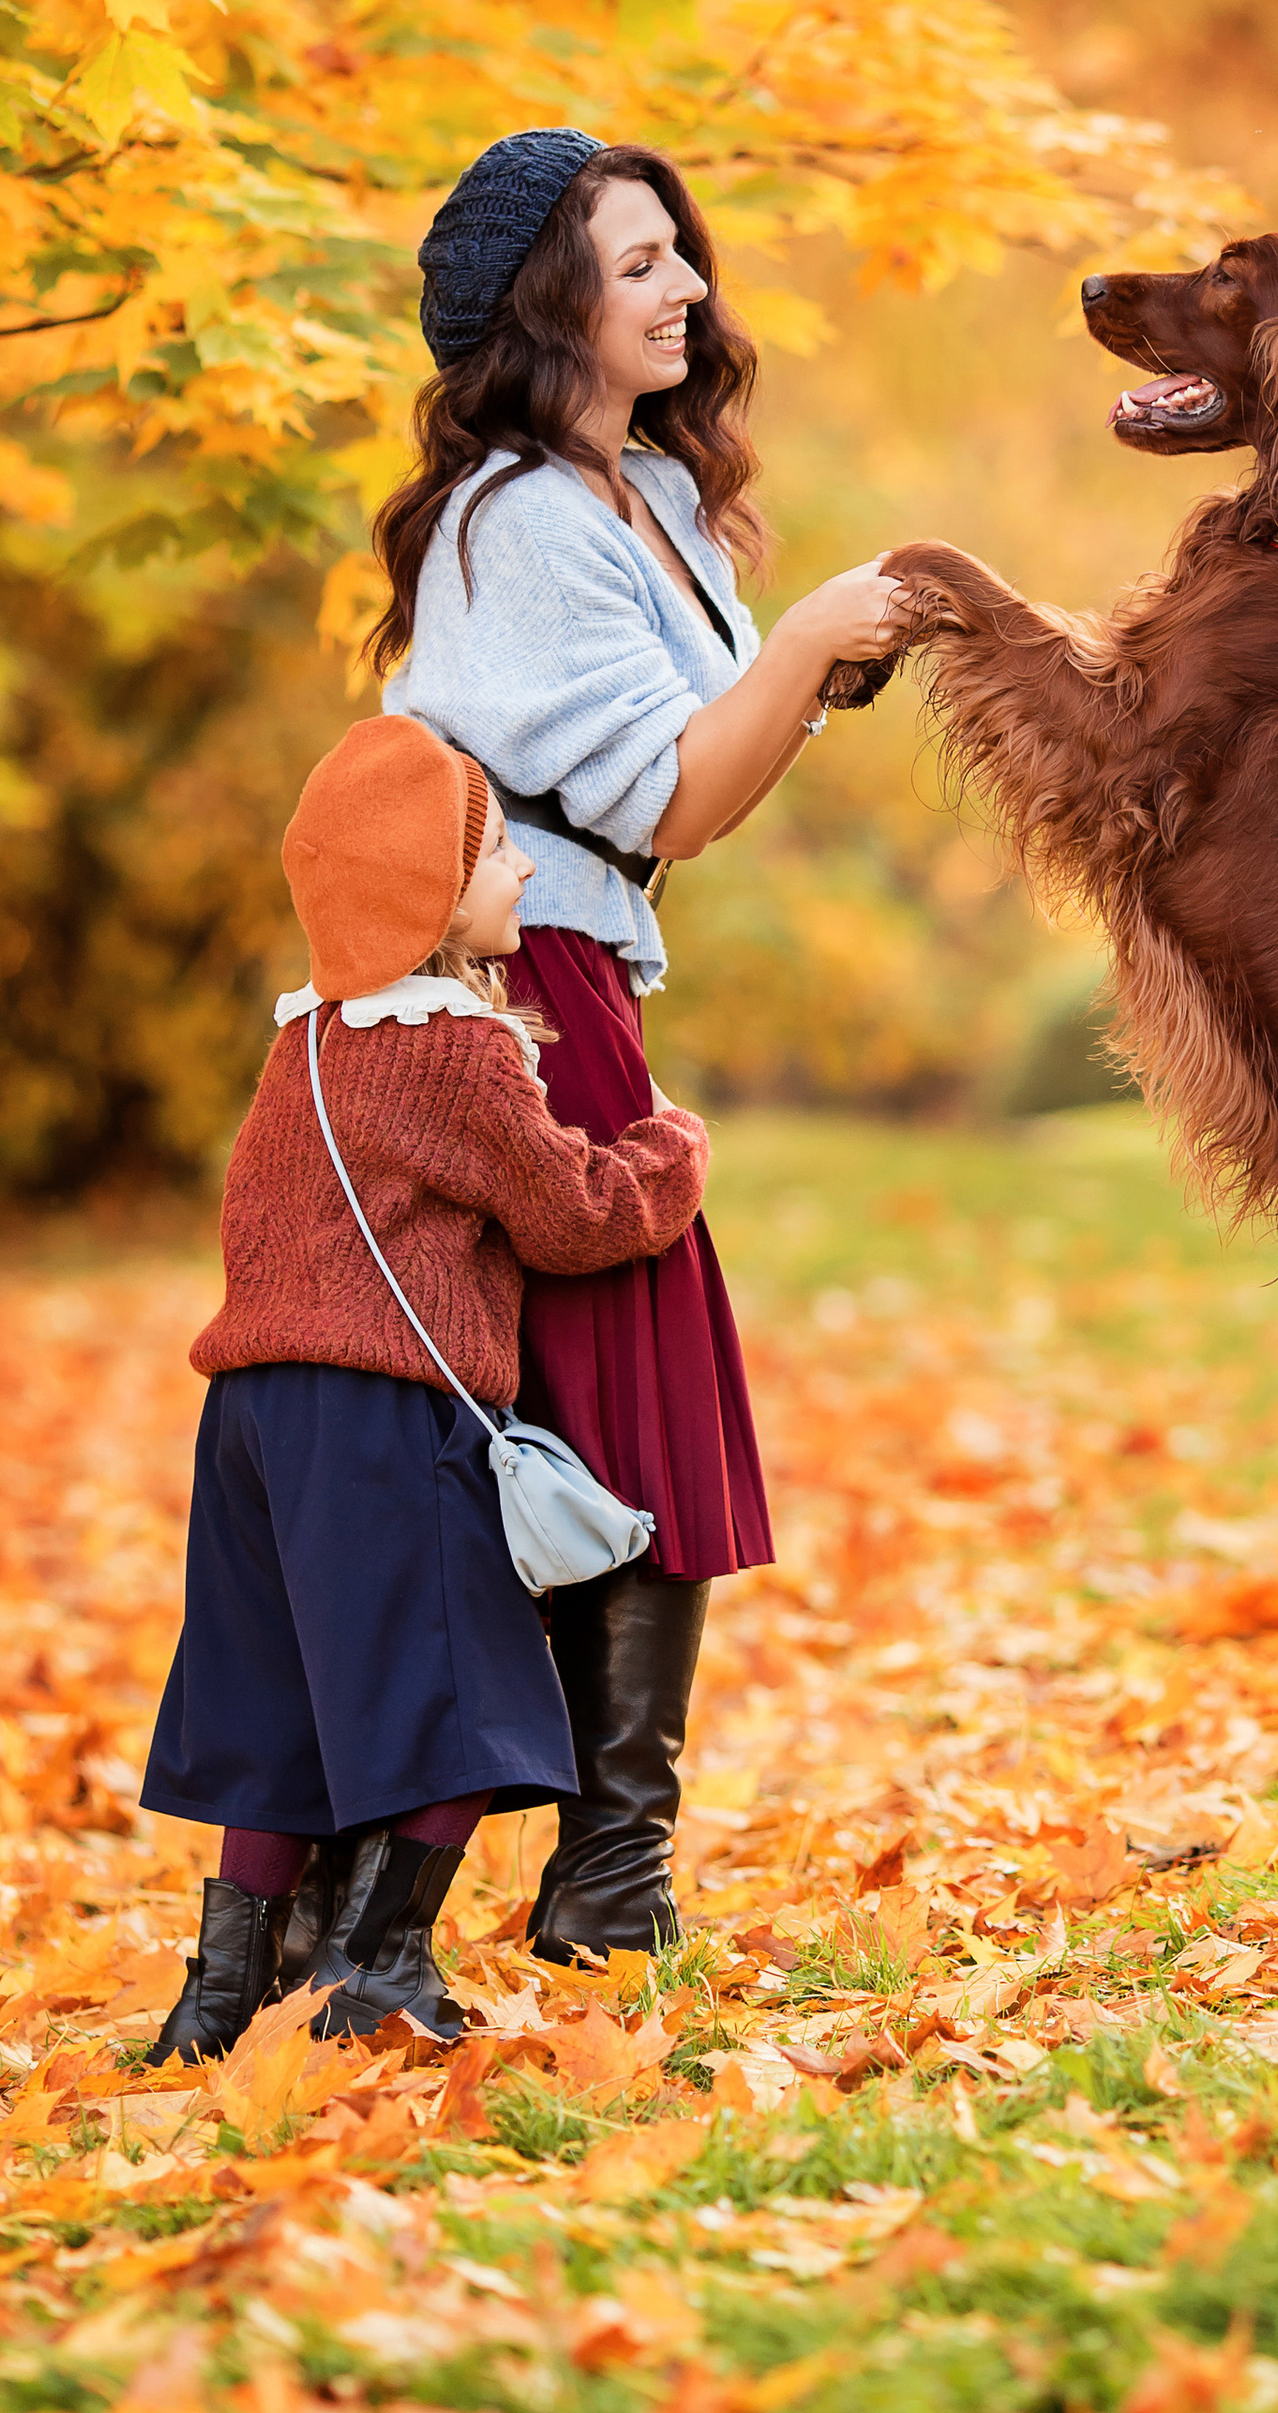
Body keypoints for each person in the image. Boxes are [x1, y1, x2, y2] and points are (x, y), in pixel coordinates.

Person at [372, 125, 909, 1964]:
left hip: (586, 974)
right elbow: (671, 800)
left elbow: (695, 795)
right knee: (612, 1396)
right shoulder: (514, 522)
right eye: (635, 261)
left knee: (626, 1400)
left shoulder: (649, 502)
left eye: (680, 250)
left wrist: (812, 664)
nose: (685, 283)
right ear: (549, 308)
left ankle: (607, 1865)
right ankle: (594, 1873)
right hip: (510, 1004)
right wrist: (816, 637)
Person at [140, 714, 710, 2061]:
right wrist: (670, 1149)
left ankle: (217, 2002)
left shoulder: (310, 1047)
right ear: (426, 888)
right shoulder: (453, 1048)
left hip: (255, 1420)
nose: (521, 873)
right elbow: (574, 1216)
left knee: (275, 1702)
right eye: (497, 849)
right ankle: (376, 1967)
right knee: (466, 1694)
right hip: (381, 1416)